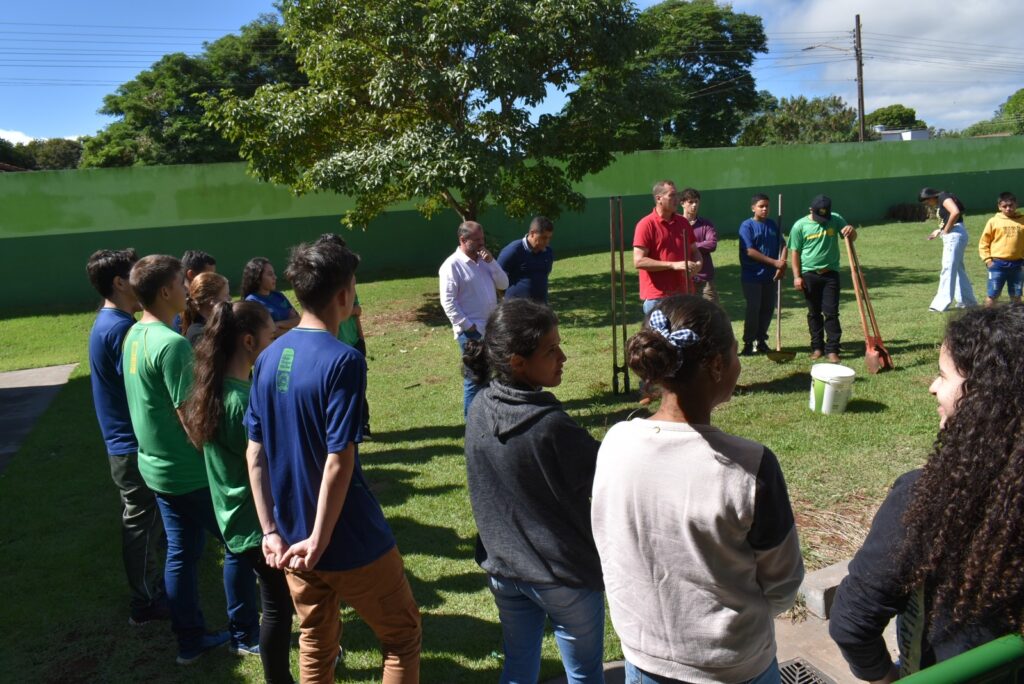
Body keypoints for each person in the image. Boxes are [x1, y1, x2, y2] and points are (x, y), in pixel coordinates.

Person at [592, 295, 804, 684]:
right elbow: (783, 585)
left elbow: (609, 542)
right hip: (733, 666)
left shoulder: (615, 442)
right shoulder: (750, 466)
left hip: (642, 656)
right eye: (736, 353)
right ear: (718, 365)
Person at [246, 237, 421, 684]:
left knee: (315, 639)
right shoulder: (344, 361)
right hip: (346, 538)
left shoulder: (265, 359)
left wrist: (270, 531)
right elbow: (338, 459)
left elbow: (255, 453)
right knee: (401, 637)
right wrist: (320, 540)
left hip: (290, 541)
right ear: (344, 294)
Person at [830, 305, 1024, 681]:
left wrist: (885, 677)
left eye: (943, 374)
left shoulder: (927, 497)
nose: (933, 386)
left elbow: (852, 621)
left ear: (985, 397)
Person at [122, 254, 259, 665]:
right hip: (187, 472)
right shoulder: (172, 345)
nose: (188, 289)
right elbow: (192, 420)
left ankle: (190, 641)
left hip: (156, 468)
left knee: (182, 552)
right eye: (182, 284)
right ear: (165, 291)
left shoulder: (135, 334)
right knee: (238, 544)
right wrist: (225, 461)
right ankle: (245, 634)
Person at [463, 299, 604, 684]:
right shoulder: (550, 426)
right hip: (563, 576)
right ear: (517, 361)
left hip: (505, 571)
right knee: (585, 674)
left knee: (518, 669)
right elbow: (605, 476)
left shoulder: (479, 408)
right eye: (551, 349)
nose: (564, 356)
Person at [182, 301, 295, 683]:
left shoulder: (215, 388)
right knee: (278, 608)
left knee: (277, 602)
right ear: (249, 341)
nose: (275, 342)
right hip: (256, 525)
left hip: (234, 518)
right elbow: (270, 463)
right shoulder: (241, 402)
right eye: (271, 336)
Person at [85, 248, 169, 627]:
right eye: (134, 276)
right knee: (140, 522)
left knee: (149, 521)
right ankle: (144, 602)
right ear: (120, 283)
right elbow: (141, 386)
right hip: (130, 445)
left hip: (127, 443)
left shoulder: (112, 322)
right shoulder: (119, 328)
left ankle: (157, 590)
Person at [438, 220, 509, 417]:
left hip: (492, 329)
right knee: (474, 379)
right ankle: (472, 425)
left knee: (491, 376)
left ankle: (486, 416)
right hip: (472, 332)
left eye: (482, 238)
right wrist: (469, 327)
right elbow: (448, 302)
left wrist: (492, 262)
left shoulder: (484, 262)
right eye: (476, 240)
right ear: (463, 239)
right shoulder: (451, 266)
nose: (481, 243)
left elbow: (504, 283)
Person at [788, 194, 857, 362]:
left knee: (831, 312)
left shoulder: (835, 219)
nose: (822, 220)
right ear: (811, 210)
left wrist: (851, 230)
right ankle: (817, 347)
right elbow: (795, 253)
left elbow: (851, 238)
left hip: (830, 275)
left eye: (824, 217)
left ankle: (832, 349)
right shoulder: (799, 226)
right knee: (814, 313)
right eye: (819, 216)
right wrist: (797, 277)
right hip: (809, 275)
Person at [632, 179, 702, 316]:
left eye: (677, 195)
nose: (676, 199)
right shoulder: (646, 224)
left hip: (685, 293)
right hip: (658, 297)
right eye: (672, 195)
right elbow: (639, 261)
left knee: (684, 336)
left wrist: (698, 264)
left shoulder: (683, 222)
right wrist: (673, 265)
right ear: (659, 198)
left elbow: (695, 250)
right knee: (660, 337)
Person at [738, 193, 786, 356]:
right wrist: (774, 262)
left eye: (767, 206)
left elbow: (783, 245)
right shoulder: (747, 226)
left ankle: (761, 340)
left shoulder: (773, 225)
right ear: (753, 208)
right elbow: (750, 251)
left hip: (770, 276)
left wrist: (782, 265)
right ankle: (748, 342)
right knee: (754, 308)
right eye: (761, 206)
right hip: (752, 276)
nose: (765, 209)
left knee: (767, 308)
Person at [919, 187, 978, 311]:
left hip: (954, 234)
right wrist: (939, 231)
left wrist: (946, 231)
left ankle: (940, 304)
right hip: (955, 233)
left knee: (948, 268)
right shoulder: (942, 200)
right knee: (957, 269)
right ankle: (967, 301)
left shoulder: (943, 197)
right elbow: (948, 218)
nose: (927, 204)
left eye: (926, 202)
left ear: (930, 197)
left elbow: (955, 212)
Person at [978, 191, 1024, 306]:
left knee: (1016, 295)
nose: (1008, 208)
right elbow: (984, 243)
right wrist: (988, 260)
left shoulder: (1022, 220)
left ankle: (1017, 321)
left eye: (1011, 205)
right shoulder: (993, 221)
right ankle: (986, 320)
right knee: (992, 295)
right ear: (999, 207)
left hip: (1017, 265)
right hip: (997, 265)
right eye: (1004, 206)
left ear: (1016, 205)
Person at [497, 216, 555, 303]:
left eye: (549, 238)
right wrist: (505, 300)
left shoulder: (548, 252)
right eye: (544, 238)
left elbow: (544, 276)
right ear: (532, 233)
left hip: (540, 309)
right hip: (515, 310)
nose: (547, 242)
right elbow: (497, 279)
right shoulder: (512, 251)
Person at [242, 257, 301, 336]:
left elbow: (299, 320)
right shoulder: (252, 302)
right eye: (270, 274)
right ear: (258, 278)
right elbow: (268, 334)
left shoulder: (278, 295)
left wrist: (278, 324)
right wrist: (290, 324)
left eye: (274, 274)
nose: (275, 277)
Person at [680, 188, 719, 303]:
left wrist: (690, 246)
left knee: (712, 313)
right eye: (690, 202)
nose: (694, 205)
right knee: (687, 314)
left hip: (705, 278)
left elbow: (712, 244)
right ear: (682, 203)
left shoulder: (706, 224)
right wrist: (700, 245)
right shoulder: (676, 224)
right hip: (684, 278)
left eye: (696, 202)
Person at [173, 250, 217, 333]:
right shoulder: (176, 305)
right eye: (208, 276)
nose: (213, 280)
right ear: (191, 275)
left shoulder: (209, 300)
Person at [182, 271, 230, 346]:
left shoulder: (210, 328)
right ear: (212, 301)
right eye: (226, 295)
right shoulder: (199, 335)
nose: (230, 299)